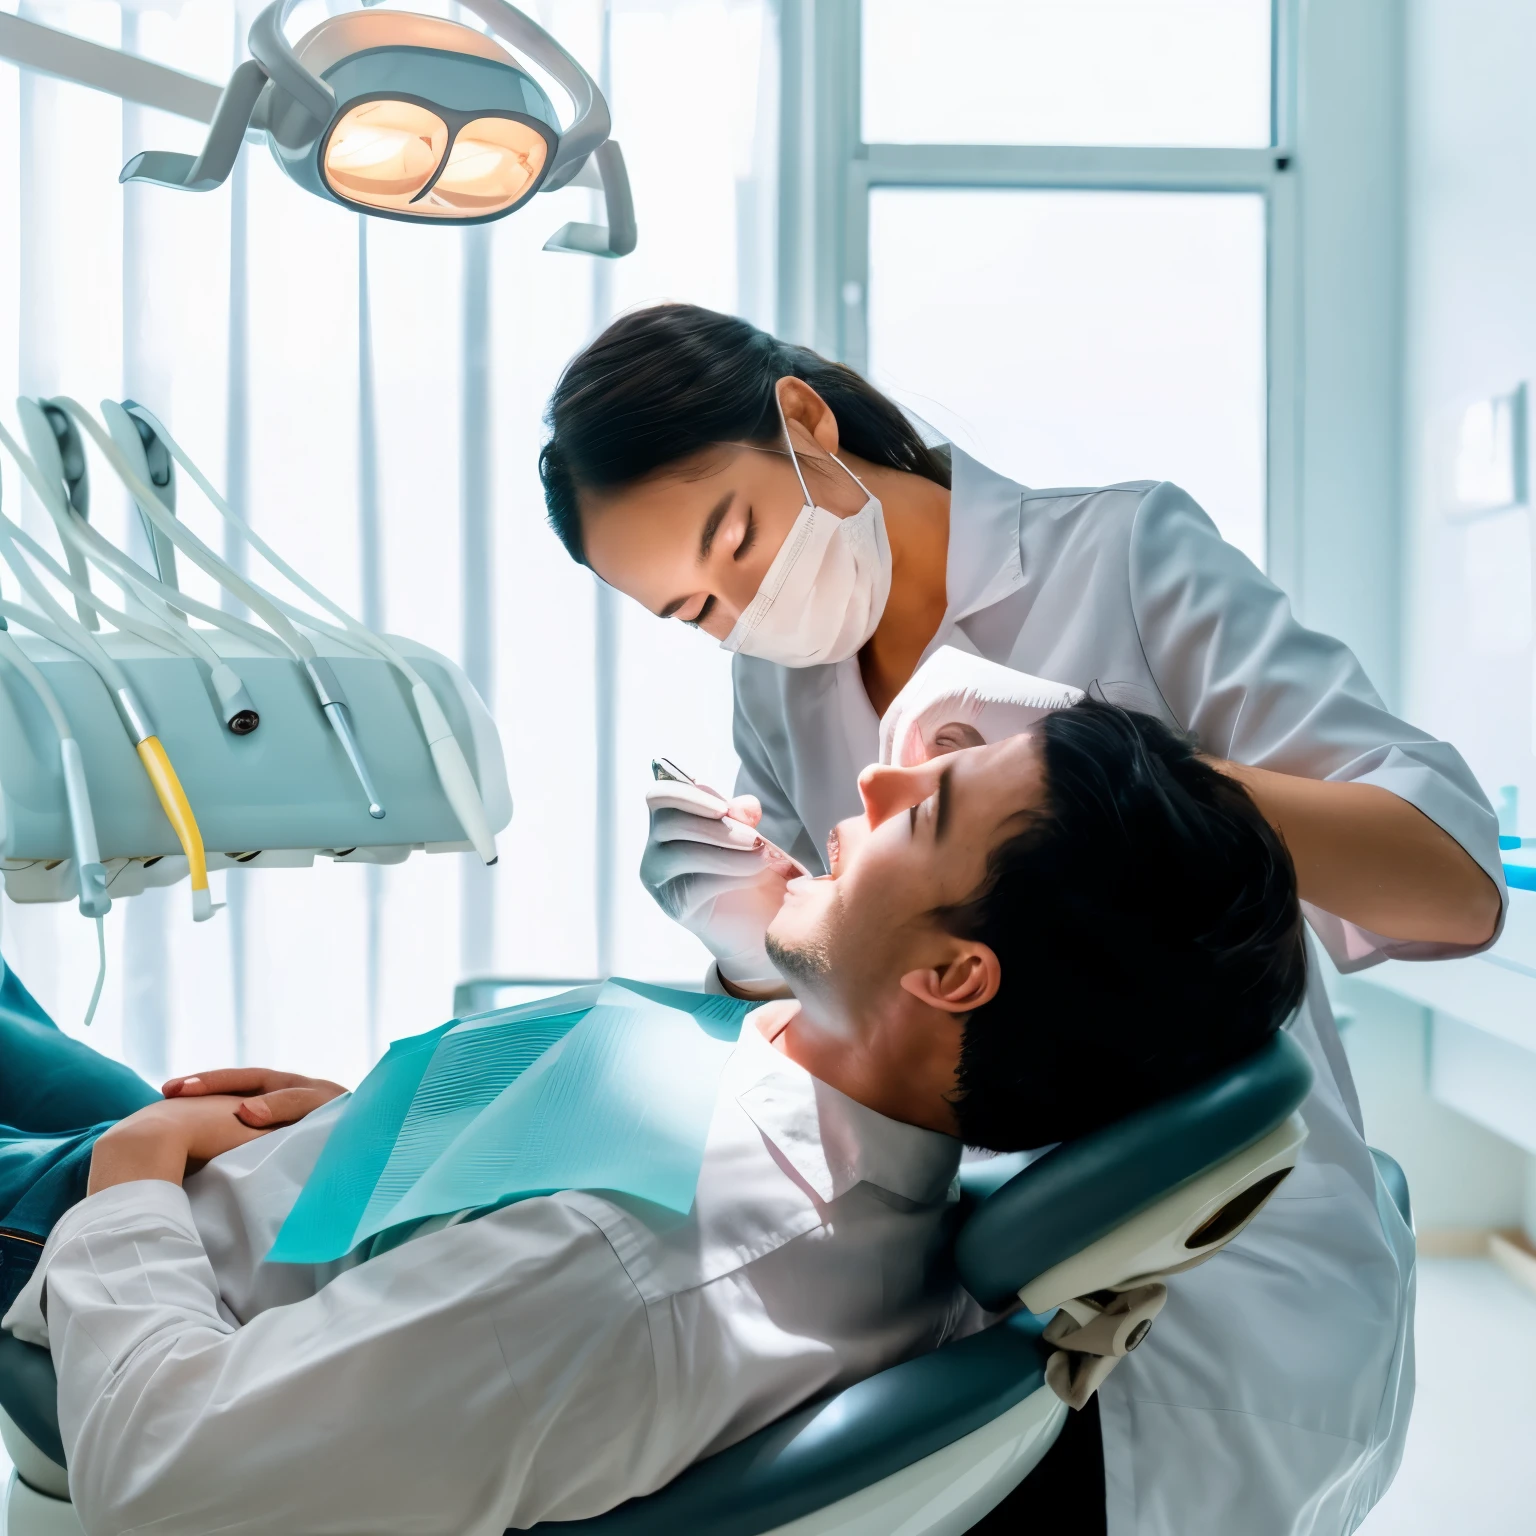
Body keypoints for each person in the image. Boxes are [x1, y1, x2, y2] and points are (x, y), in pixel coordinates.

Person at [538, 302, 1506, 1536]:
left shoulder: (1122, 556)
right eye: (698, 611)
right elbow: (874, 992)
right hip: (959, 1245)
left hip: (1220, 1277)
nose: (746, 610)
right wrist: (755, 951)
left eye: (739, 540)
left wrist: (1113, 776)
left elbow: (1454, 883)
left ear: (803, 420)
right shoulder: (776, 684)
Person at [0, 700, 1305, 1536]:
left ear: (954, 977)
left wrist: (129, 1180)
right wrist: (394, 1134)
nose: (878, 790)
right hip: (269, 1184)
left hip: (100, 1254)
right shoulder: (830, 1119)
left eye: (935, 812)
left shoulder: (628, 1274)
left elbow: (169, 1480)